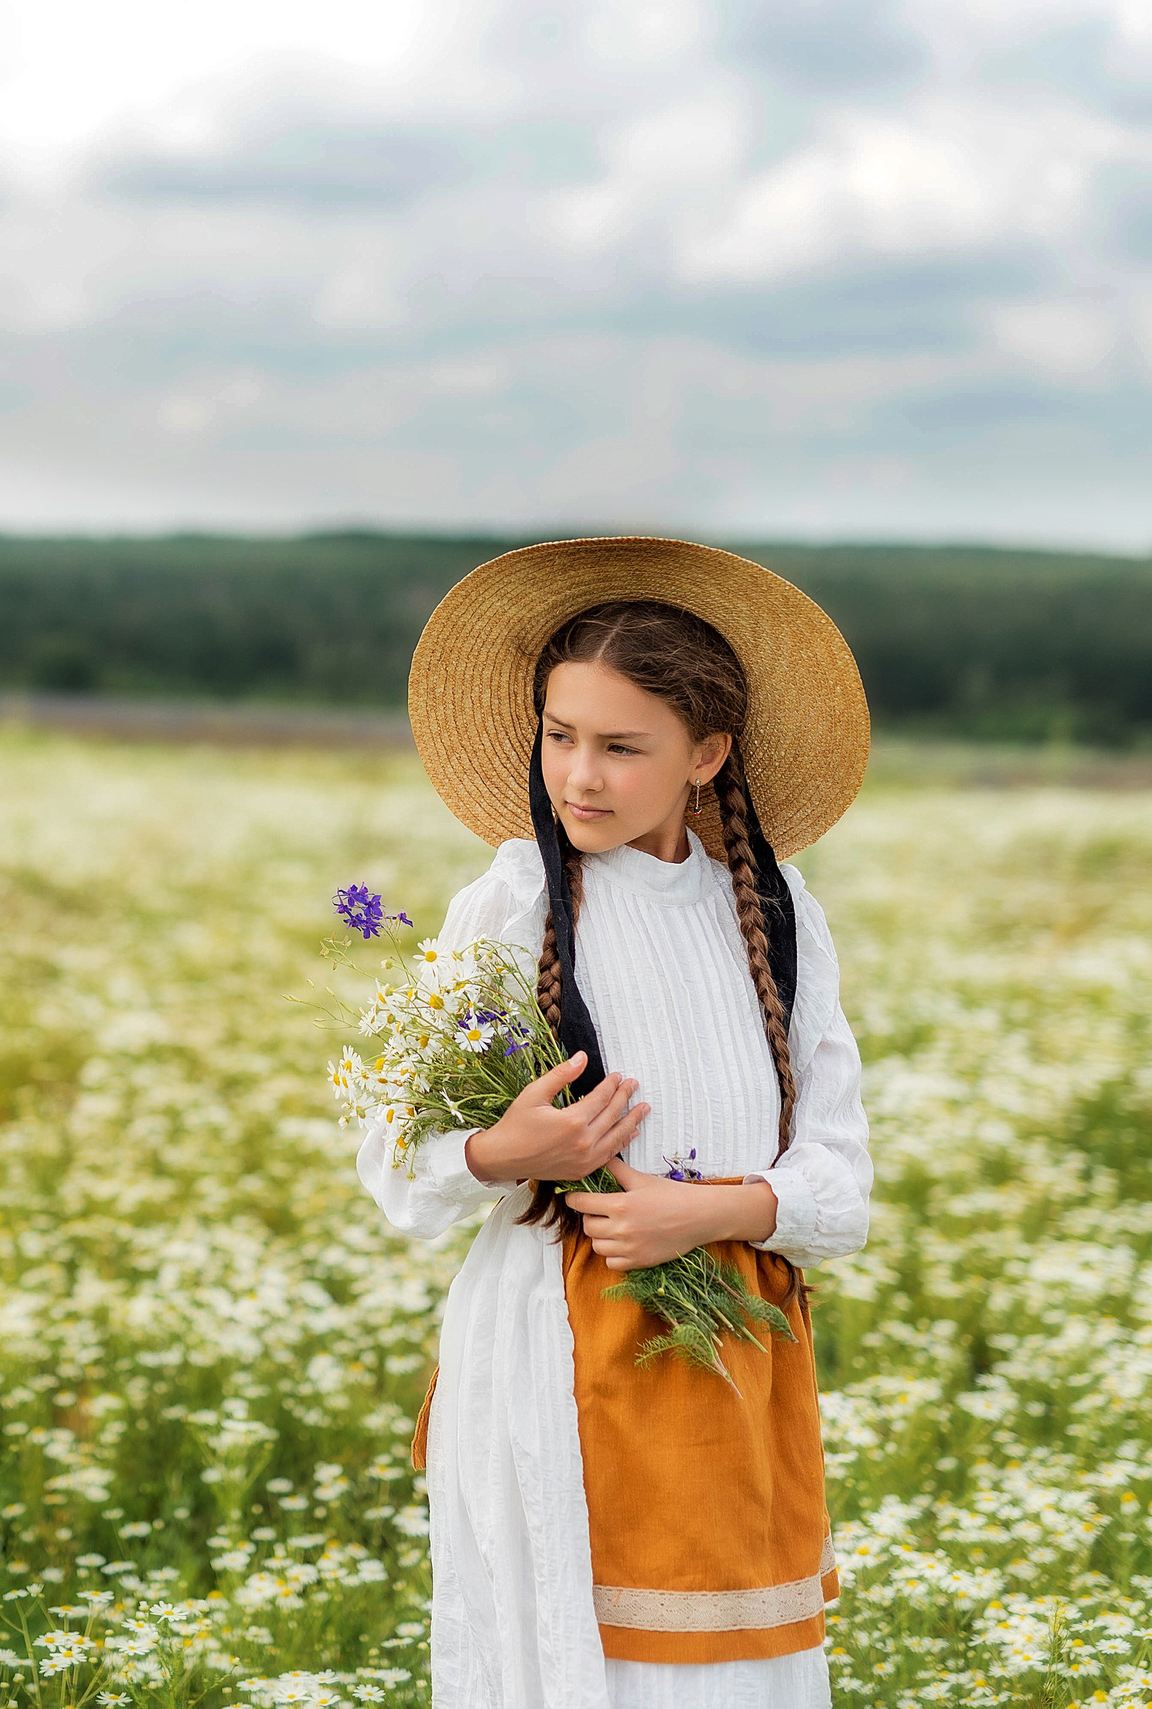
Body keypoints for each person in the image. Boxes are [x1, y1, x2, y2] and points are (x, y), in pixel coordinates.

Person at [360, 538, 875, 1709]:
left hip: (731, 1356)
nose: (577, 775)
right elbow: (396, 1166)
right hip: (548, 1354)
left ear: (707, 752)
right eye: (559, 735)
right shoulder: (510, 903)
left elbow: (840, 1184)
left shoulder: (780, 914)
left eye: (621, 745)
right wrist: (507, 1151)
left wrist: (712, 1211)